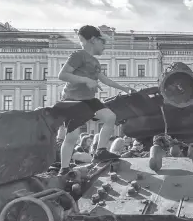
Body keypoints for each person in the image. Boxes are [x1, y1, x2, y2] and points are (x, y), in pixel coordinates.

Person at [57, 25, 136, 175]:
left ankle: (100, 151)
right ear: (93, 40)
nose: (105, 46)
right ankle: (64, 168)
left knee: (110, 117)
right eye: (103, 42)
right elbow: (63, 75)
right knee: (72, 136)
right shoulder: (78, 55)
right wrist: (85, 80)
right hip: (72, 100)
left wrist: (123, 88)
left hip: (88, 100)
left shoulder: (95, 62)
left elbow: (105, 80)